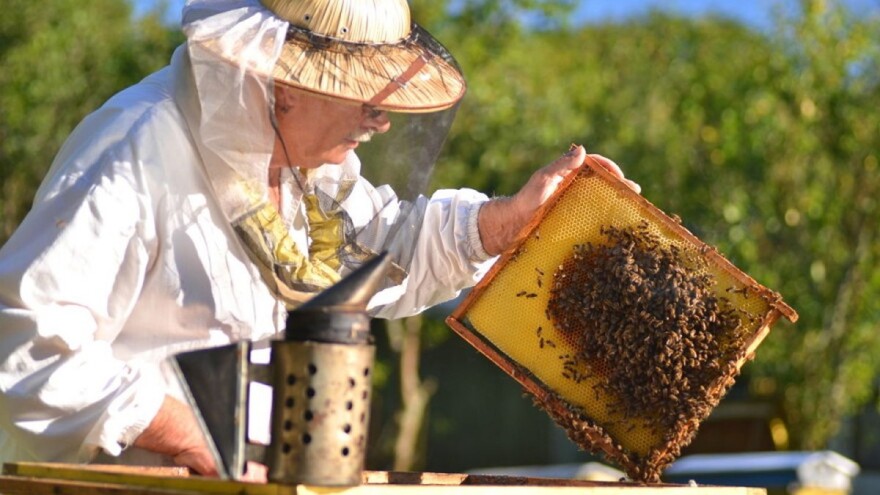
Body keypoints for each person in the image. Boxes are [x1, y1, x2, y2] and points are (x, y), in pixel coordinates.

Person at [0, 0, 639, 478]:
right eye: (361, 92)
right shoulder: (134, 147)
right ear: (287, 86)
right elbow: (23, 342)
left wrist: (505, 223)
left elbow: (378, 254)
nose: (381, 119)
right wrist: (186, 429)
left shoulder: (308, 171)